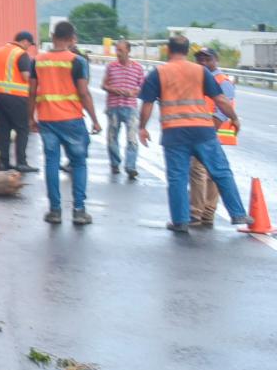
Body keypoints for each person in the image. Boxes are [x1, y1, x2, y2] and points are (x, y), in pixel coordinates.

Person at [138, 35, 247, 234]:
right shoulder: (200, 71)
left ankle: (180, 221)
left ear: (168, 50)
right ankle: (238, 213)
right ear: (187, 52)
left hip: (174, 132)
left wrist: (142, 127)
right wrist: (234, 118)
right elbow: (221, 99)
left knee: (177, 178)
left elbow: (147, 104)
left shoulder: (158, 73)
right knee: (221, 171)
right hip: (202, 130)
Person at [34, 21, 100, 225]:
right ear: (72, 39)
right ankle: (79, 211)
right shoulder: (77, 61)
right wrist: (95, 120)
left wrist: (30, 117)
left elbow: (31, 91)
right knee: (79, 163)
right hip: (71, 119)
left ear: (53, 37)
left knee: (51, 163)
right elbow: (83, 92)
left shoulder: (38, 61)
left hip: (47, 119)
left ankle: (55, 211)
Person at [187, 49, 240, 227]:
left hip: (210, 133)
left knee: (198, 171)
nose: (202, 61)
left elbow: (222, 110)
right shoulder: (198, 79)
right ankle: (207, 213)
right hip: (205, 132)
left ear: (216, 60)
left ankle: (196, 212)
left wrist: (206, 133)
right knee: (210, 173)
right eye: (199, 58)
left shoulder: (222, 81)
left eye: (207, 58)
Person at [0, 30, 38, 174]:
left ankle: (3, 163)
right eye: (29, 44)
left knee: (4, 128)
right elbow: (25, 76)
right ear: (24, 41)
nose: (28, 47)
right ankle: (21, 162)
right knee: (22, 129)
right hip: (14, 96)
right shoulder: (21, 54)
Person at [100, 39, 145, 180]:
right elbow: (104, 85)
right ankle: (115, 163)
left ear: (128, 51)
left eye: (120, 50)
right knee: (112, 137)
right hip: (114, 106)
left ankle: (131, 166)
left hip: (130, 107)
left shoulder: (137, 68)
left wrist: (134, 92)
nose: (118, 53)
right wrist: (114, 89)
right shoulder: (111, 67)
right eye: (117, 50)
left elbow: (142, 86)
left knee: (132, 138)